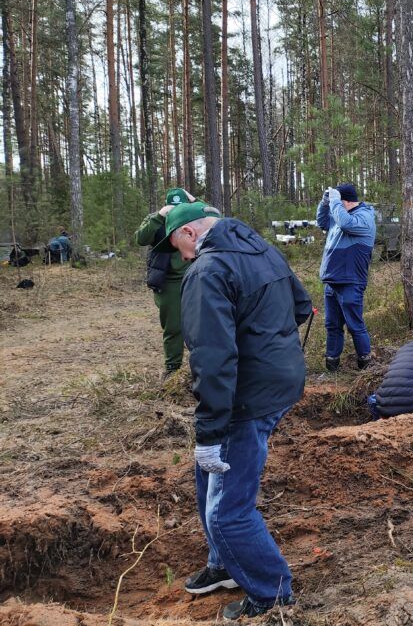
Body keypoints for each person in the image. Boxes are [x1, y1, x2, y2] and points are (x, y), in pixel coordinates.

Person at [152, 202, 312, 620]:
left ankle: (272, 593)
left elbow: (212, 358)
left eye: (178, 248)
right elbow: (301, 306)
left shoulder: (207, 271)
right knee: (208, 480)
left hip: (246, 396)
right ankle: (225, 564)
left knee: (227, 512)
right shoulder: (263, 249)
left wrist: (209, 432)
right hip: (281, 382)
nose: (181, 258)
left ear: (189, 234)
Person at [135, 187, 197, 377]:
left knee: (201, 325)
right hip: (168, 282)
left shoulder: (194, 216)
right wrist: (159, 217)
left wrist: (194, 201)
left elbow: (213, 216)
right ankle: (172, 369)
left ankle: (202, 367)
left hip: (195, 277)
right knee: (173, 327)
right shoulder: (155, 218)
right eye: (173, 208)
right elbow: (141, 238)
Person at [317, 183, 376, 371]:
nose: (334, 206)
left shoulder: (364, 217)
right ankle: (332, 365)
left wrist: (335, 201)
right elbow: (322, 222)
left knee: (354, 325)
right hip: (332, 281)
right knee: (332, 325)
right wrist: (325, 202)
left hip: (351, 281)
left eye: (337, 201)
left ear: (346, 201)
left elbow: (345, 224)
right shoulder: (340, 215)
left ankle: (365, 366)